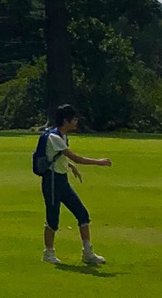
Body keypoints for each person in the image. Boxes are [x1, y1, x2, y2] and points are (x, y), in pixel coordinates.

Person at [38, 103, 109, 266]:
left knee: (82, 214)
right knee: (53, 218)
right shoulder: (54, 137)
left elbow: (59, 157)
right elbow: (75, 157)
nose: (76, 121)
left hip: (62, 180)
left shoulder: (62, 136)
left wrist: (70, 167)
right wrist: (99, 162)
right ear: (66, 120)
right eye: (74, 118)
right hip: (53, 181)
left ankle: (87, 252)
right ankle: (48, 253)